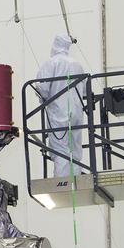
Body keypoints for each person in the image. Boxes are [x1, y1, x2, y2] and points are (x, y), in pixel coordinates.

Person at [36, 35, 84, 177]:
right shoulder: (78, 65)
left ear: (55, 45)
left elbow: (42, 88)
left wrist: (43, 98)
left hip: (59, 112)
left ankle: (63, 185)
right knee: (74, 148)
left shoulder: (51, 63)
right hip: (76, 113)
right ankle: (75, 180)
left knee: (60, 149)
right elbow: (85, 90)